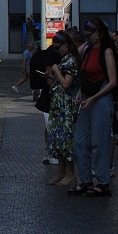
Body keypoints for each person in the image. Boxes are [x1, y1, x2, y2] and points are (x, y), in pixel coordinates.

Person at [69, 18, 118, 197]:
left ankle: (103, 182)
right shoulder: (89, 50)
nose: (87, 37)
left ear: (99, 34)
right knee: (80, 142)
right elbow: (81, 68)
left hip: (101, 98)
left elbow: (112, 81)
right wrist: (81, 92)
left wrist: (94, 98)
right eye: (86, 35)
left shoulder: (107, 52)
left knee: (99, 142)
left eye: (90, 34)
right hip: (88, 97)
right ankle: (85, 180)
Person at [44, 30, 79, 185]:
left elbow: (66, 83)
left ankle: (70, 173)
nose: (56, 51)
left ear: (66, 45)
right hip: (59, 105)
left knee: (66, 139)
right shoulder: (65, 59)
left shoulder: (71, 61)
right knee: (58, 138)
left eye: (57, 48)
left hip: (67, 106)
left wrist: (56, 71)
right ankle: (60, 171)